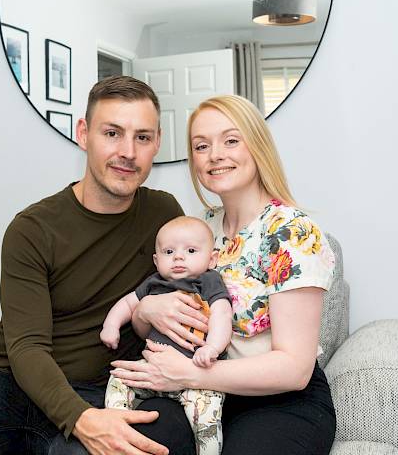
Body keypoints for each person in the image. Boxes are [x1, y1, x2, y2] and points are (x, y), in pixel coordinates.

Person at [0, 76, 200, 455]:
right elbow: (27, 346)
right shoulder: (33, 228)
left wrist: (147, 308)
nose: (127, 151)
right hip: (11, 385)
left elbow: (185, 300)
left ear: (157, 143)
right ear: (84, 134)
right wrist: (80, 419)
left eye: (142, 137)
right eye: (112, 133)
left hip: (106, 386)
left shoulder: (164, 215)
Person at [109, 94, 337, 455]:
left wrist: (191, 375)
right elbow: (155, 322)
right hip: (197, 393)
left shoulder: (292, 231)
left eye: (231, 140)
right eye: (202, 145)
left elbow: (295, 369)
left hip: (277, 399)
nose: (215, 154)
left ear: (257, 146)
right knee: (140, 443)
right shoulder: (200, 230)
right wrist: (145, 311)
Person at [101, 215, 232, 455]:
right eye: (169, 251)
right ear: (156, 259)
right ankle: (120, 422)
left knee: (206, 418)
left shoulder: (208, 281)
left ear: (212, 258)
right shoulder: (154, 283)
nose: (179, 257)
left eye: (191, 250)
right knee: (118, 379)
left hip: (197, 372)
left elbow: (222, 315)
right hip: (152, 369)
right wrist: (111, 325)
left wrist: (211, 348)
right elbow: (129, 303)